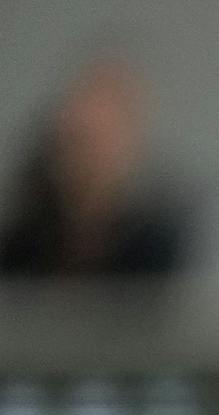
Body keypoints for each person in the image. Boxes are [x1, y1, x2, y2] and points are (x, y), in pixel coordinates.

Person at [0, 55, 191, 281]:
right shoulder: (23, 241)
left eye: (101, 140)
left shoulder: (158, 245)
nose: (86, 160)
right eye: (78, 141)